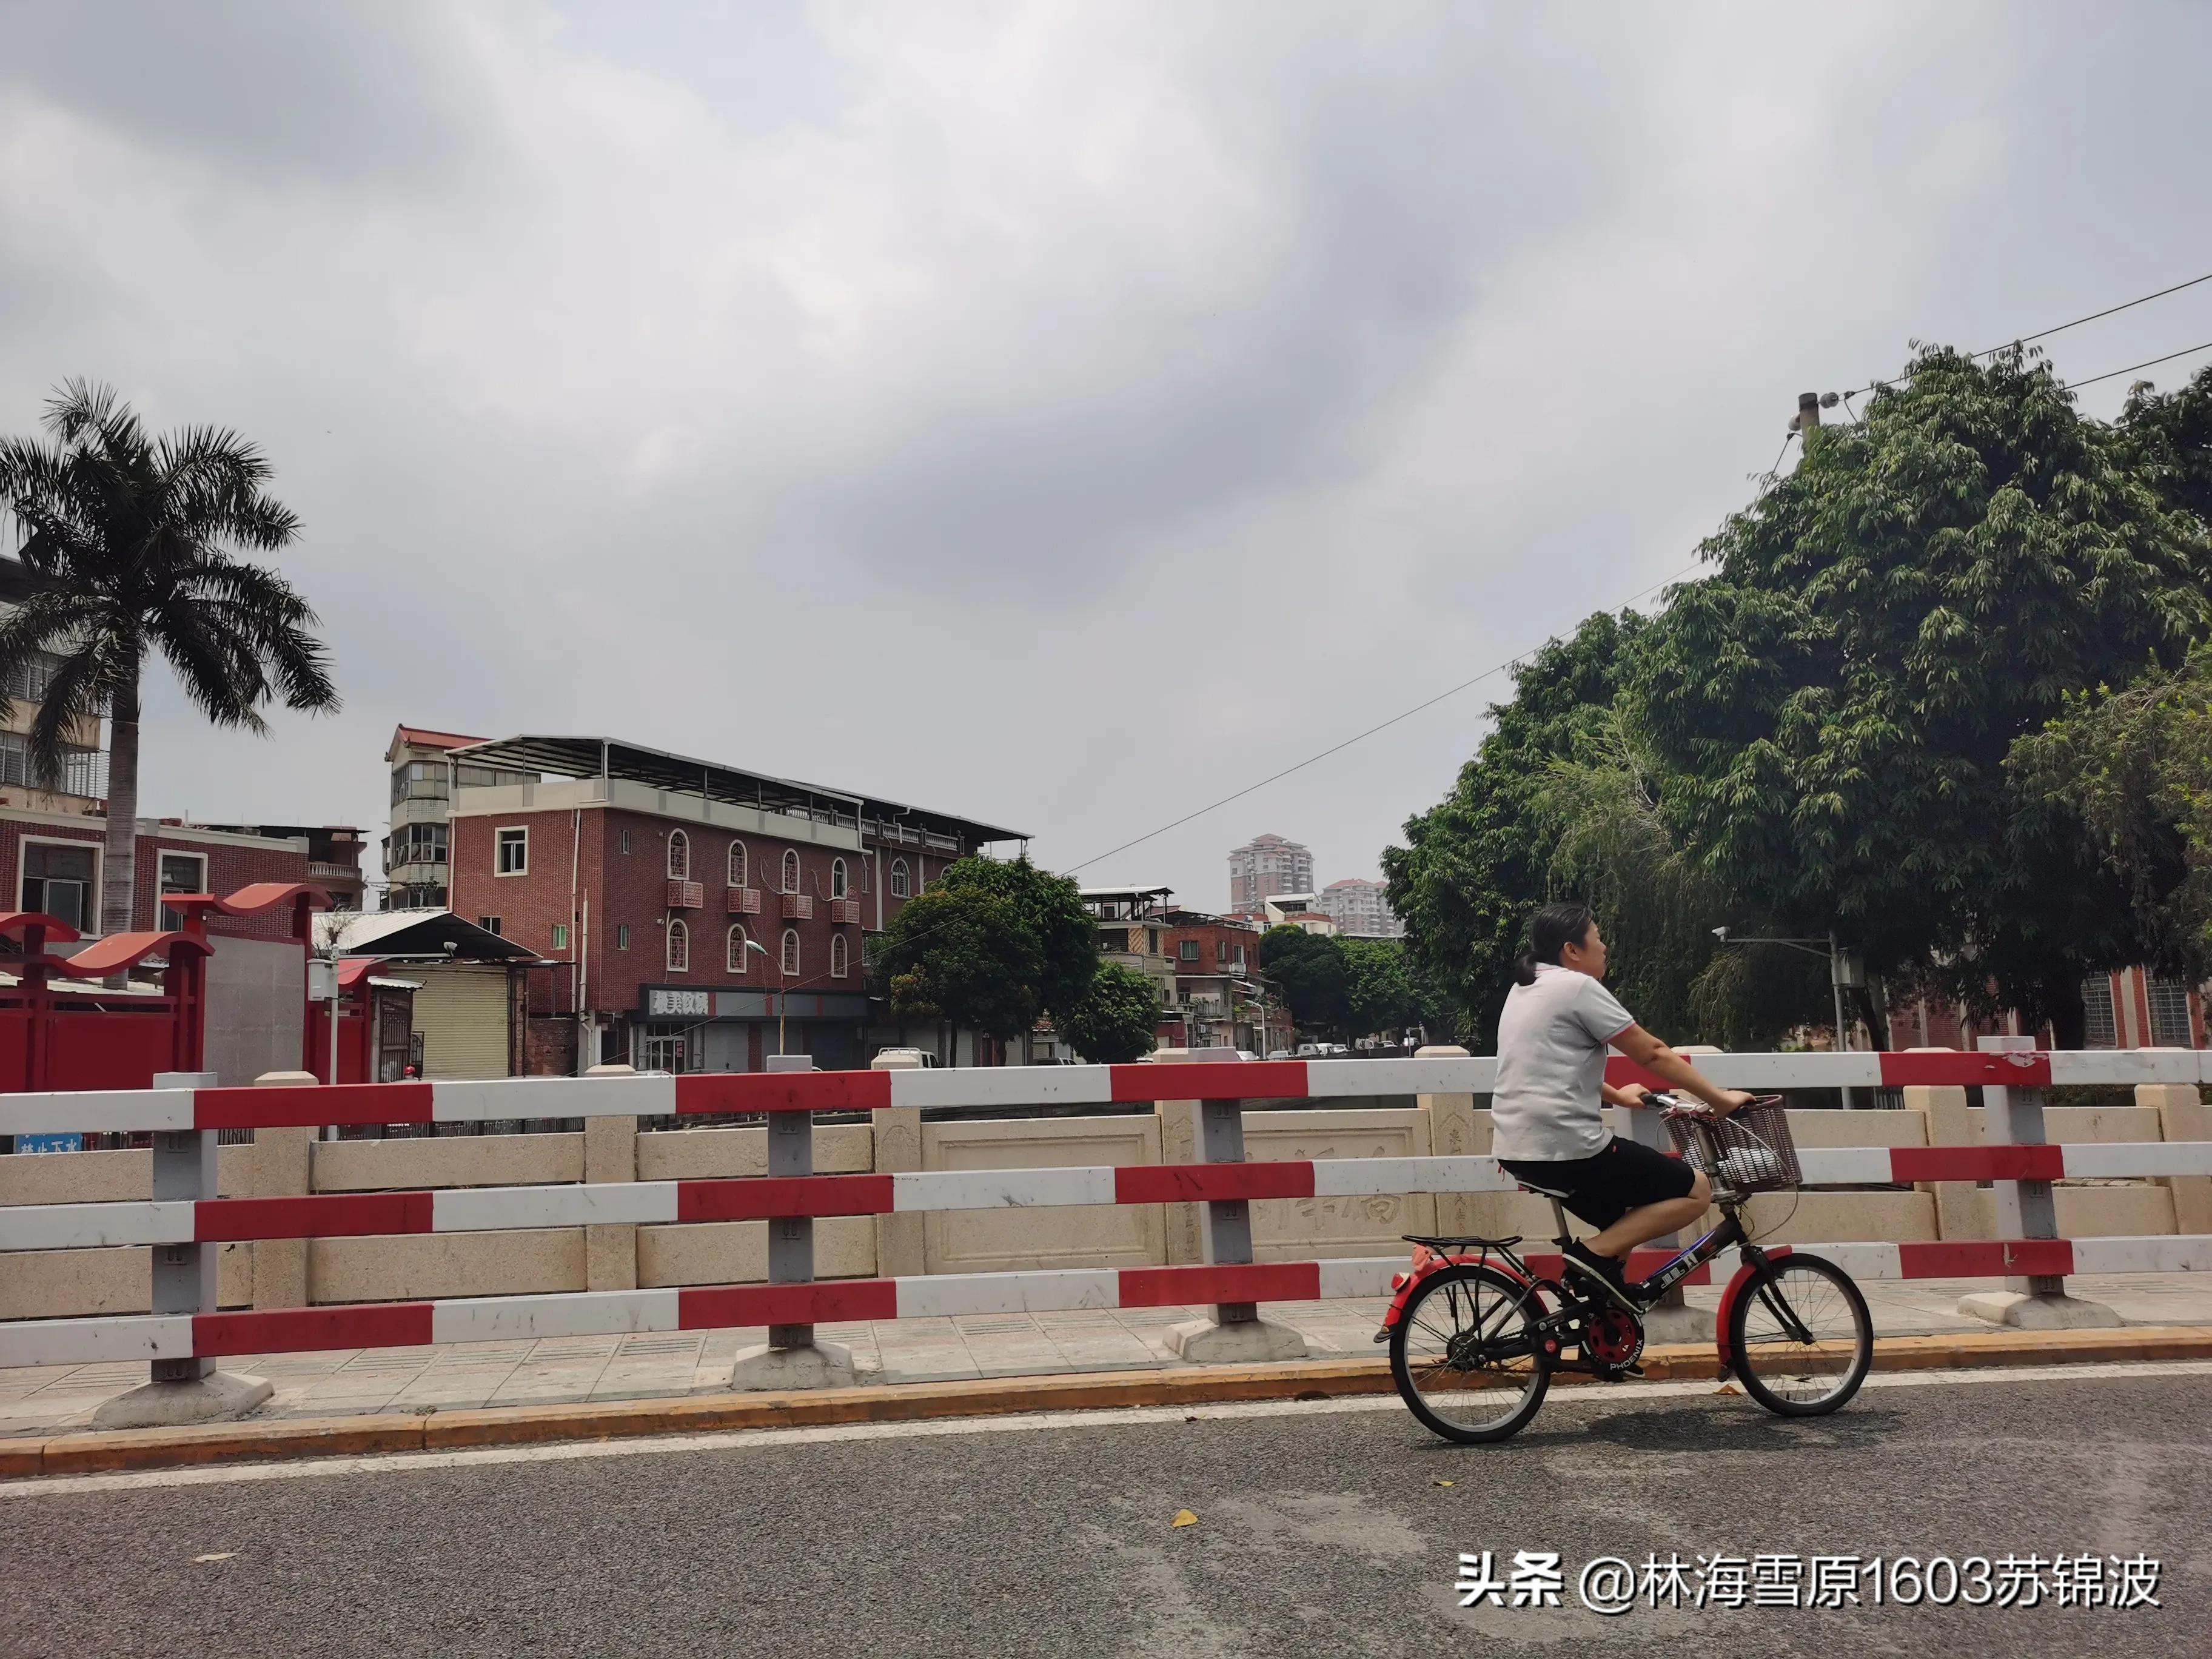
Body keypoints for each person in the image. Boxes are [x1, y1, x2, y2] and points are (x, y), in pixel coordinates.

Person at [1490, 901, 1751, 1312]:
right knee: (1696, 1191)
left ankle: (1604, 1321)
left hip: (1519, 1147)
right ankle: (1587, 1258)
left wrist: (1617, 1096)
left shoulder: (1528, 986)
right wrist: (1719, 1100)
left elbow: (1548, 1069)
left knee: (1623, 1223)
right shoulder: (1576, 987)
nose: (1605, 945)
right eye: (1597, 937)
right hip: (1567, 1146)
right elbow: (1652, 1053)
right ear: (1572, 950)